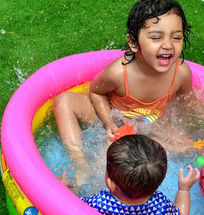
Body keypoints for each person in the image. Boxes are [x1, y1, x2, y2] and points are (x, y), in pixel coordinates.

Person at [53, 0, 194, 185]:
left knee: (186, 146)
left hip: (149, 129)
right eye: (156, 37)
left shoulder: (181, 75)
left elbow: (182, 105)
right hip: (114, 116)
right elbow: (96, 92)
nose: (168, 45)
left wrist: (173, 131)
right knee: (64, 101)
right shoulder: (119, 73)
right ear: (134, 43)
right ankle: (80, 164)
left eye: (176, 37)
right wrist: (108, 122)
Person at [59, 134, 200, 215]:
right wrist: (184, 189)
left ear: (110, 183)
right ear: (160, 182)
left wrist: (62, 188)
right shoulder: (160, 206)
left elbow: (72, 209)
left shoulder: (99, 203)